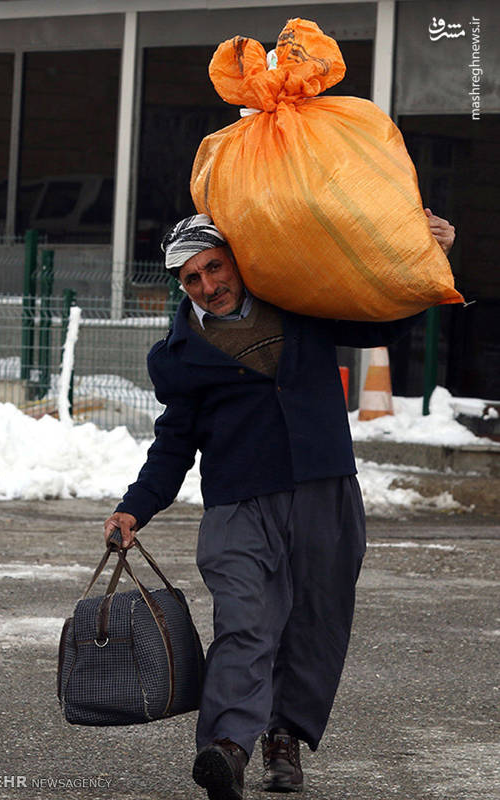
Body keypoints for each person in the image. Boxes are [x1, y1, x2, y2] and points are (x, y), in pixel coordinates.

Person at [104, 211, 455, 800]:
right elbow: (173, 443)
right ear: (180, 286)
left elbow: (386, 325)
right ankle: (228, 748)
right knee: (246, 622)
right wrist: (134, 507)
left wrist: (430, 254)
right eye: (191, 279)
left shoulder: (299, 304)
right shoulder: (178, 355)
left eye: (214, 267)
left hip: (324, 490)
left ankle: (283, 739)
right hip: (238, 504)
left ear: (236, 260)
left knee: (315, 625)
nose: (208, 286)